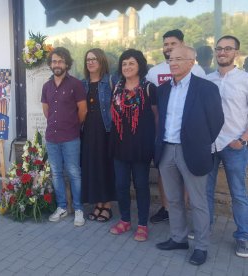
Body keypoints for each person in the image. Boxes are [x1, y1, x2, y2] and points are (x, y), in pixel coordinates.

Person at [155, 46, 224, 265]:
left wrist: (200, 142)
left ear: (191, 62)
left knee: (198, 202)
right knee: (173, 199)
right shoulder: (164, 89)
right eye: (170, 59)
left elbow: (216, 122)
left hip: (192, 151)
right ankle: (178, 238)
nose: (173, 62)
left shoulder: (206, 88)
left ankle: (202, 247)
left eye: (178, 59)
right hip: (167, 150)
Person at [146, 29, 206, 224]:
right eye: (166, 44)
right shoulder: (154, 72)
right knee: (165, 176)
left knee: (188, 179)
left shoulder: (197, 70)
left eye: (173, 43)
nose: (169, 48)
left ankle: (184, 211)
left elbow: (209, 111)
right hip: (163, 137)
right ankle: (166, 208)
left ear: (182, 44)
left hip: (189, 140)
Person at [109, 49, 157, 241]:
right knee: (121, 185)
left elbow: (156, 118)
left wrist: (154, 143)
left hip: (141, 146)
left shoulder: (149, 88)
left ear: (140, 65)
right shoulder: (116, 87)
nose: (127, 67)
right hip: (119, 145)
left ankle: (143, 225)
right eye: (124, 64)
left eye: (131, 63)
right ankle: (125, 220)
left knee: (141, 186)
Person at [206, 35, 248, 258]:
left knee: (239, 193)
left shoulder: (245, 80)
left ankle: (243, 236)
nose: (222, 52)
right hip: (210, 145)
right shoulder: (208, 79)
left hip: (235, 145)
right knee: (206, 191)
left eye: (228, 49)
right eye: (219, 48)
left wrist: (243, 139)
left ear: (236, 53)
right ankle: (206, 228)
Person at [41, 47, 87, 226]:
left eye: (60, 61)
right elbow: (46, 110)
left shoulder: (75, 84)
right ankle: (61, 207)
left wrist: (71, 125)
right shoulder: (47, 86)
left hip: (70, 137)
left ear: (66, 64)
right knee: (56, 173)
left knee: (74, 173)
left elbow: (82, 110)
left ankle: (78, 209)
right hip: (52, 137)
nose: (56, 64)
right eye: (54, 61)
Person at [81, 48, 117, 222]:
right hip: (87, 132)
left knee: (105, 167)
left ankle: (107, 206)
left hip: (105, 131)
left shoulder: (110, 81)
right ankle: (97, 204)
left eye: (94, 59)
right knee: (92, 167)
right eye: (88, 59)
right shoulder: (83, 84)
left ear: (101, 61)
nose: (90, 62)